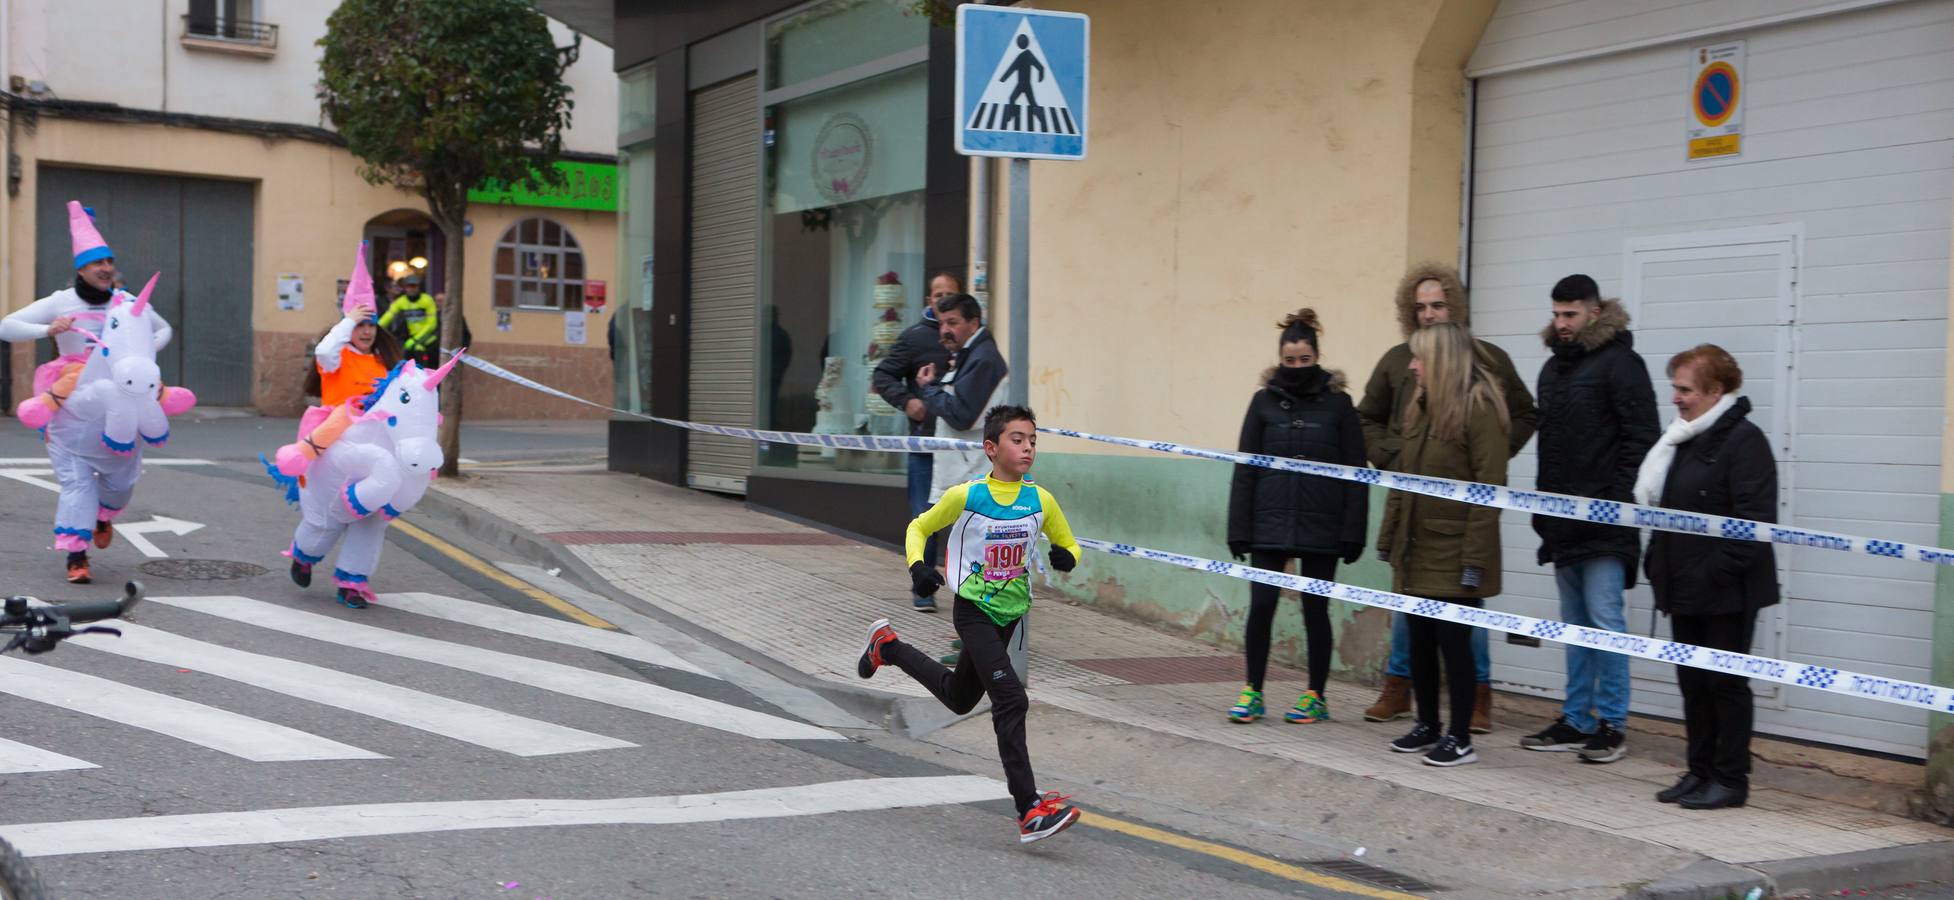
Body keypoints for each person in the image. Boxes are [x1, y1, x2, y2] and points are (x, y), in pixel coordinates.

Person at [856, 405, 1084, 843]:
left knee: (959, 698)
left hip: (1010, 617)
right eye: (1017, 439)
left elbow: (1068, 541)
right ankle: (1029, 809)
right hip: (973, 611)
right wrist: (917, 566)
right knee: (1011, 699)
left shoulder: (1041, 500)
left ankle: (887, 646)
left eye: (1033, 440)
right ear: (991, 448)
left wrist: (1067, 556)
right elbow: (918, 528)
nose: (1028, 447)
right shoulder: (967, 496)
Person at [1359, 262, 1538, 732]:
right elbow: (1367, 419)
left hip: (1457, 522)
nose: (1429, 314)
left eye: (1437, 304)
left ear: (1454, 307)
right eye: (1419, 307)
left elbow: (1521, 415)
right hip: (1412, 510)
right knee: (1411, 617)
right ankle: (1403, 694)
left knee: (1462, 623)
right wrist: (1392, 457)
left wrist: (1493, 453)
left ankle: (1475, 701)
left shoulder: (1487, 362)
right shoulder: (1400, 361)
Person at [1520, 274, 1660, 765]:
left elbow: (1642, 441)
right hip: (1560, 519)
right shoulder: (1552, 371)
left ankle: (1613, 724)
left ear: (1595, 313)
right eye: (1556, 314)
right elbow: (1550, 449)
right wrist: (1544, 507)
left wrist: (1613, 502)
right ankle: (1576, 719)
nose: (1560, 324)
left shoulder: (1623, 365)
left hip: (1604, 522)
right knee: (1572, 624)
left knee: (1605, 622)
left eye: (1570, 315)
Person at [0, 202, 176, 584]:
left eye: (109, 262)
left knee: (121, 483)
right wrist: (47, 331)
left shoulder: (127, 304)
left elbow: (164, 330)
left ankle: (102, 515)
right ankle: (76, 557)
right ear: (80, 269)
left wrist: (141, 354)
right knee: (76, 482)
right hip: (72, 402)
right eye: (97, 263)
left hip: (121, 400)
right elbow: (6, 326)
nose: (106, 269)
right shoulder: (61, 302)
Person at [1636, 345, 1777, 810]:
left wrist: (1707, 574)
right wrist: (1660, 562)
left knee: (1725, 685)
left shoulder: (1745, 442)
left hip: (1727, 593)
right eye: (1674, 387)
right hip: (1684, 588)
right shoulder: (1685, 438)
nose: (1675, 398)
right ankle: (1698, 771)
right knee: (1692, 685)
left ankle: (1730, 779)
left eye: (1685, 389)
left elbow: (1754, 524)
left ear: (1716, 391)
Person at [1223, 309, 1368, 724]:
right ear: (1280, 359)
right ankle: (1253, 690)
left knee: (1314, 610)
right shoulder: (1263, 402)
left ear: (1317, 357)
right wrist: (1239, 527)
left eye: (1305, 360)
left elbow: (1355, 472)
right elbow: (1246, 467)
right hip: (1269, 523)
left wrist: (1352, 531)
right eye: (1290, 361)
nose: (1298, 368)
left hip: (1323, 526)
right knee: (1262, 606)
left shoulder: (1340, 405)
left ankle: (1315, 695)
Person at [1376, 323, 1509, 767]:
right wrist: (1388, 536)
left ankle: (1460, 737)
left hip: (1455, 553)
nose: (1412, 366)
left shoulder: (1480, 408)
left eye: (1419, 358)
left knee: (1456, 646)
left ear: (1441, 361)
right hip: (1416, 547)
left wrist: (1473, 560)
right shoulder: (1419, 406)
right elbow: (1401, 480)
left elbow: (1490, 489)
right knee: (1419, 643)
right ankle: (1427, 724)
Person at [871, 271, 960, 612]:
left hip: (958, 444)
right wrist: (908, 402)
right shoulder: (914, 338)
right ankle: (923, 587)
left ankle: (969, 588)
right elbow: (882, 375)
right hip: (924, 444)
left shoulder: (966, 338)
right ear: (929, 300)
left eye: (950, 294)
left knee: (966, 518)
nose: (942, 300)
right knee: (925, 516)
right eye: (938, 294)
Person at [915, 292, 1009, 544]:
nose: (944, 330)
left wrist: (929, 388)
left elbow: (961, 415)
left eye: (952, 323)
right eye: (942, 323)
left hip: (975, 477)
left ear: (973, 323)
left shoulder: (983, 359)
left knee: (976, 561)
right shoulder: (969, 355)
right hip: (966, 477)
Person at [306, 243, 404, 407]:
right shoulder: (336, 358)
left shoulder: (384, 360)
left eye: (371, 326)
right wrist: (350, 321)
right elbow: (323, 351)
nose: (367, 332)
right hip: (340, 431)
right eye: (359, 325)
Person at [380, 273, 439, 368]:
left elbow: (431, 324)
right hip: (410, 339)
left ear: (419, 287)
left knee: (427, 362)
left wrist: (415, 339)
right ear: (405, 288)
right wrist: (376, 327)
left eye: (414, 286)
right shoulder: (401, 301)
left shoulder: (427, 300)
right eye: (409, 286)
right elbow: (388, 316)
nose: (411, 289)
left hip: (428, 338)